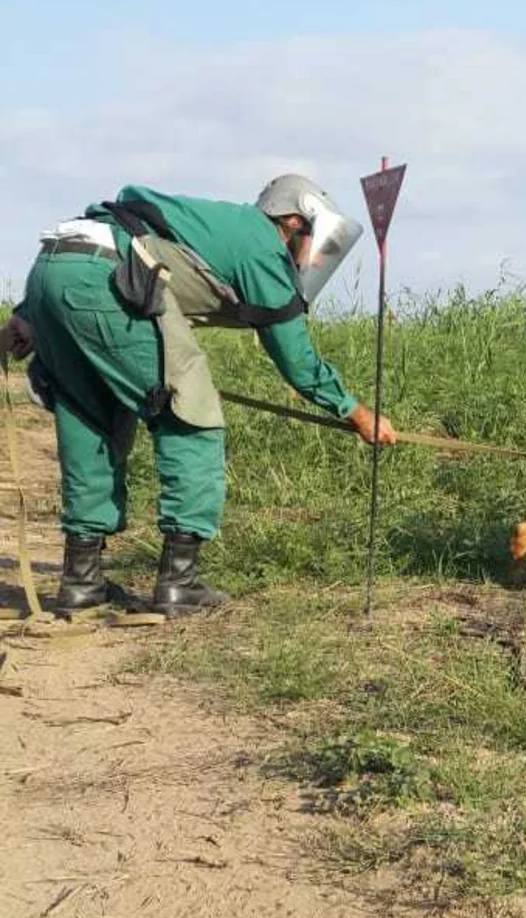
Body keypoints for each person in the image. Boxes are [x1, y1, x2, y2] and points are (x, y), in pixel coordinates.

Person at [0, 175, 398, 617]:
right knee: (193, 417)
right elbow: (297, 361)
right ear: (291, 221)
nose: (313, 256)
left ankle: (81, 582)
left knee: (89, 415)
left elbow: (99, 244)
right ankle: (179, 582)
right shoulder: (261, 244)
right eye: (313, 241)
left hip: (54, 267)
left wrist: (30, 313)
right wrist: (355, 411)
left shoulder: (218, 226)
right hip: (110, 278)